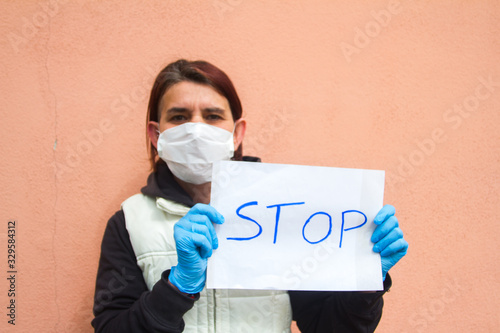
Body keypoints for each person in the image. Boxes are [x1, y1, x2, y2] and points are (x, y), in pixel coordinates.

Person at [91, 59, 408, 333]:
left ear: (237, 132)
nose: (196, 129)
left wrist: (366, 279)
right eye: (179, 117)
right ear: (156, 134)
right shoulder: (129, 222)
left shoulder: (286, 210)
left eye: (213, 116)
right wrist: (177, 287)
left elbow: (331, 327)